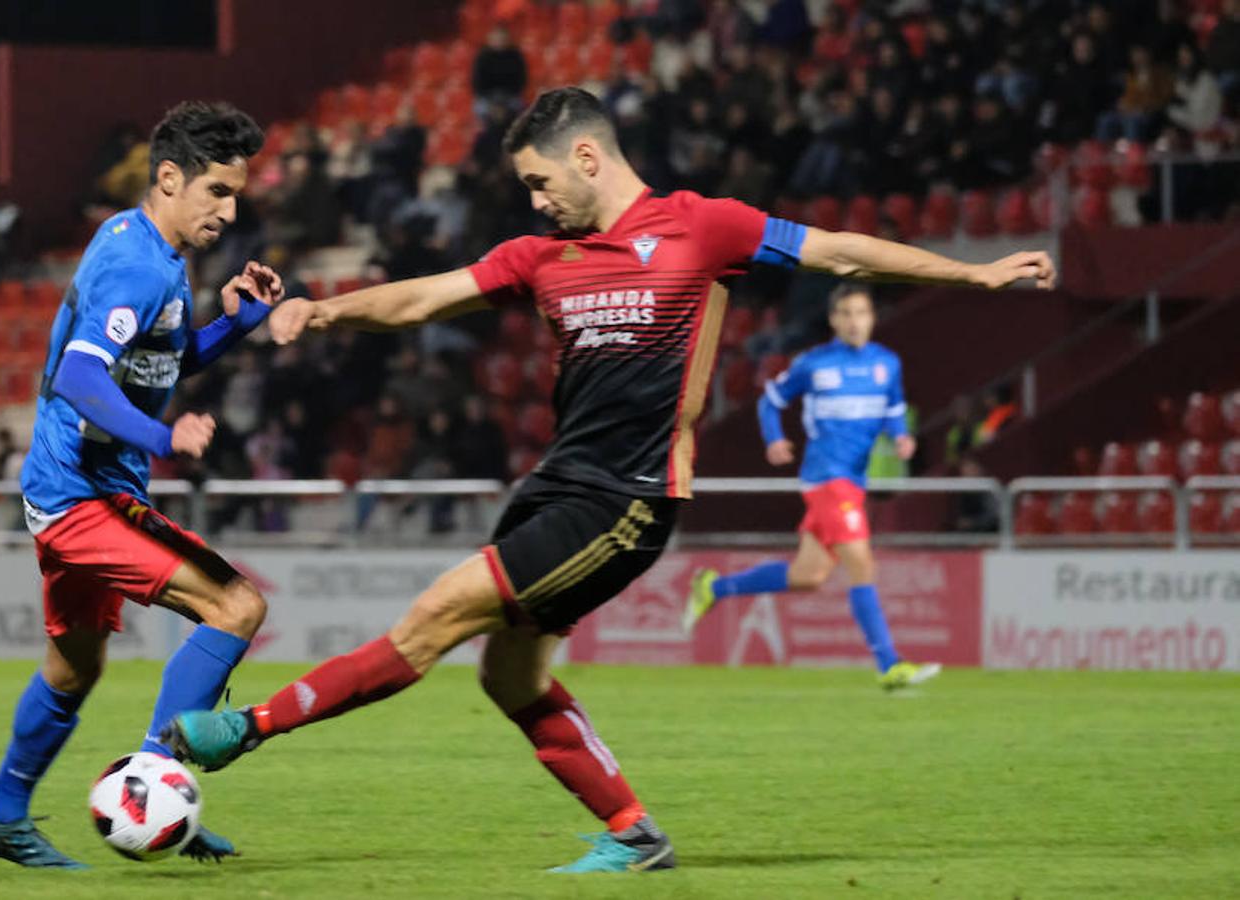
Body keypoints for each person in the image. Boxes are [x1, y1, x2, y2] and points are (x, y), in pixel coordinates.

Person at [164, 87, 1055, 874]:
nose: (536, 200)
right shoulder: (544, 257)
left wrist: (973, 272)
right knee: (509, 679)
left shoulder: (704, 227)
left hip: (628, 498)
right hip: (559, 485)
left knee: (437, 614)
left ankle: (251, 729)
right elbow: (427, 297)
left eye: (541, 182)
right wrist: (325, 310)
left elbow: (842, 253)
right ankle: (633, 835)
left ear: (587, 156)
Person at [0, 101, 285, 869]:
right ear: (169, 179)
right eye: (216, 191)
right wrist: (163, 437)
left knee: (75, 667)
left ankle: (1, 815)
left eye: (235, 194)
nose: (228, 210)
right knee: (236, 606)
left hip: (64, 489)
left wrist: (232, 325)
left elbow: (151, 363)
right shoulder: (143, 266)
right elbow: (80, 375)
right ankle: (158, 784)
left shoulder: (142, 247)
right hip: (86, 497)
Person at [682, 283, 940, 690]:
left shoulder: (886, 364)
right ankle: (889, 664)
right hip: (826, 478)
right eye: (847, 314)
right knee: (862, 563)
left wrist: (901, 435)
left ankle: (713, 587)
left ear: (872, 318)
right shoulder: (815, 364)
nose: (855, 322)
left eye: (862, 314)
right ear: (835, 320)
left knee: (808, 575)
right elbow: (770, 400)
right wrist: (774, 439)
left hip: (853, 481)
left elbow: (892, 408)